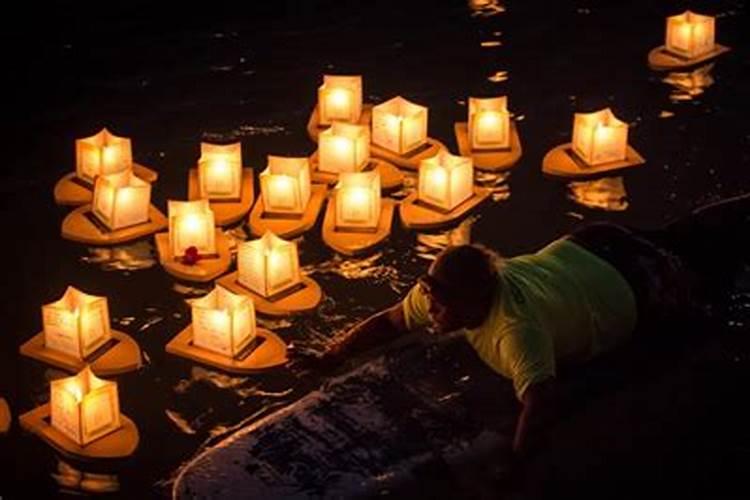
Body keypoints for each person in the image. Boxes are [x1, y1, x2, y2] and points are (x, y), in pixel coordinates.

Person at [320, 193, 750, 457]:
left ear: (476, 300)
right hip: (594, 244)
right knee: (683, 235)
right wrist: (332, 355)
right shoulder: (438, 292)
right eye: (430, 296)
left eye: (442, 303)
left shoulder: (515, 330)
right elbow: (391, 321)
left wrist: (517, 467)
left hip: (642, 279)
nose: (431, 311)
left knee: (709, 263)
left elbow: (540, 401)